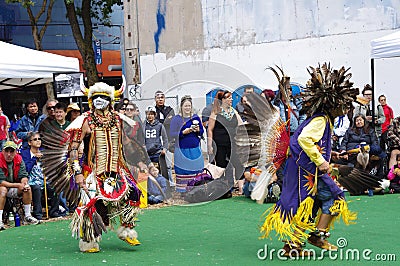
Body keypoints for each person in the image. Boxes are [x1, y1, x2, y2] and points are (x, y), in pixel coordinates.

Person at [40, 77, 149, 252]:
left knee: (133, 193)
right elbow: (73, 149)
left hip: (116, 168)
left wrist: (140, 161)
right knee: (92, 203)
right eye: (96, 97)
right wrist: (77, 173)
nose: (99, 100)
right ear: (90, 100)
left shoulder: (118, 119)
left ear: (110, 101)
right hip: (93, 170)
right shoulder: (84, 121)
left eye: (103, 97)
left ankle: (127, 230)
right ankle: (89, 239)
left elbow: (126, 143)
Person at [261, 63, 358, 256]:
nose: (346, 109)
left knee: (307, 205)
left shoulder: (322, 119)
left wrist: (330, 155)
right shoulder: (321, 120)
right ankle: (317, 236)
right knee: (333, 196)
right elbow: (304, 139)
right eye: (344, 105)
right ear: (333, 104)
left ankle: (292, 247)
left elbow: (309, 141)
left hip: (303, 170)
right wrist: (321, 161)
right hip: (305, 170)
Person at [207, 90, 244, 196]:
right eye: (228, 98)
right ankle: (223, 189)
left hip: (233, 143)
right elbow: (210, 129)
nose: (231, 99)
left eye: (231, 97)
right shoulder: (215, 112)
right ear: (222, 100)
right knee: (222, 166)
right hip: (220, 143)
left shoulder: (233, 111)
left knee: (238, 164)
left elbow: (241, 125)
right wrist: (210, 145)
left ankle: (241, 188)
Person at [0, 141, 39, 230]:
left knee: (27, 188)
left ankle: (28, 216)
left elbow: (23, 175)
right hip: (2, 187)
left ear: (16, 152)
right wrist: (18, 185)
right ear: (2, 151)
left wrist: (24, 183)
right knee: (3, 190)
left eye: (11, 151)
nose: (9, 154)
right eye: (6, 151)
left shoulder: (19, 159)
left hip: (13, 187)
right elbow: (1, 182)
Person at [21, 132, 60, 220]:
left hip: (44, 179)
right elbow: (26, 169)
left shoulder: (44, 152)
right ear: (29, 142)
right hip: (31, 180)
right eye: (35, 139)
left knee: (55, 186)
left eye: (39, 139)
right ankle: (37, 213)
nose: (38, 141)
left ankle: (54, 211)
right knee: (36, 188)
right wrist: (34, 158)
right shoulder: (25, 153)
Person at [170, 95, 204, 192]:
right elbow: (172, 134)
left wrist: (198, 130)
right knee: (183, 170)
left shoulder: (195, 117)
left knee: (196, 169)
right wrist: (183, 132)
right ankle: (183, 191)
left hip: (195, 148)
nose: (187, 108)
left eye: (189, 106)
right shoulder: (176, 119)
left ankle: (197, 189)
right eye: (185, 106)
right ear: (181, 107)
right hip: (181, 149)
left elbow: (201, 132)